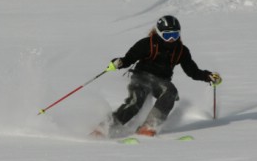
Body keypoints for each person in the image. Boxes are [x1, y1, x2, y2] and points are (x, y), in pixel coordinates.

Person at [91, 15, 222, 138]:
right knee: (136, 101)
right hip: (141, 77)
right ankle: (103, 128)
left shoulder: (181, 50)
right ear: (159, 33)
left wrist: (208, 76)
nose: (172, 39)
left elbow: (192, 71)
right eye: (167, 35)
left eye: (175, 35)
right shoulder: (146, 44)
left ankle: (149, 126)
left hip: (161, 81)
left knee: (170, 92)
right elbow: (129, 59)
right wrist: (119, 62)